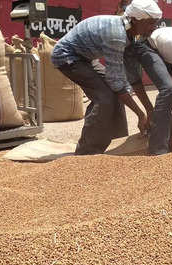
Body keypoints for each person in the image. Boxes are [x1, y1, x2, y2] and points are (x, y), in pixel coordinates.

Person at [51, 0, 162, 155]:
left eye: (156, 23)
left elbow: (131, 77)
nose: (154, 27)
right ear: (135, 19)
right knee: (104, 97)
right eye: (150, 23)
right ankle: (85, 153)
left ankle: (119, 143)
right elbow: (115, 82)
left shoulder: (131, 33)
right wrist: (140, 114)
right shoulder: (117, 35)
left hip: (86, 58)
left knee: (116, 94)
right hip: (67, 57)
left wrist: (149, 110)